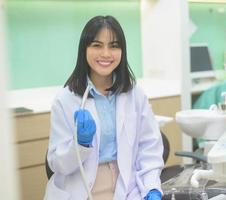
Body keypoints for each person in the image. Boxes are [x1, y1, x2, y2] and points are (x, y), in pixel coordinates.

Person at [44, 15, 164, 200]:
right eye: (97, 45)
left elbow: (149, 149)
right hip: (81, 187)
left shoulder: (134, 95)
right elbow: (57, 164)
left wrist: (151, 188)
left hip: (127, 185)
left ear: (122, 51)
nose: (106, 54)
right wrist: (80, 144)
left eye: (114, 46)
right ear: (84, 49)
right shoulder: (65, 99)